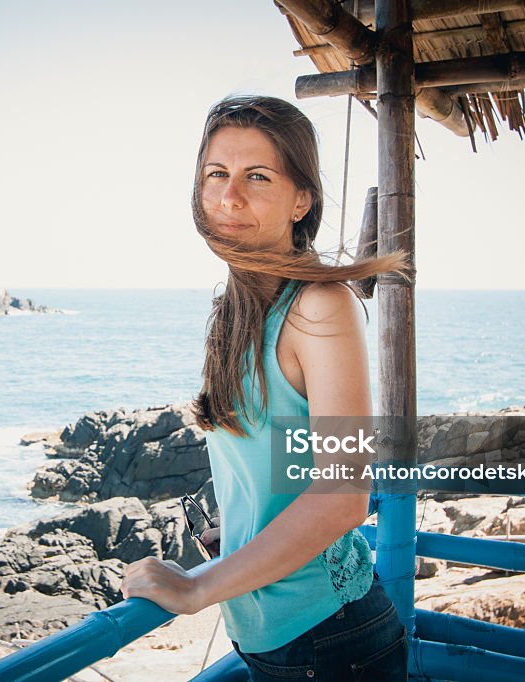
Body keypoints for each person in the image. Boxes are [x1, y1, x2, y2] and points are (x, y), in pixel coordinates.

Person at [120, 94, 411, 681]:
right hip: (266, 632)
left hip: (330, 638)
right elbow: (286, 456)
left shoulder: (320, 307)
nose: (230, 196)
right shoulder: (237, 306)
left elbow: (342, 495)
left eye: (257, 176)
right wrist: (244, 526)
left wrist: (198, 585)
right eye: (216, 175)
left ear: (301, 198)